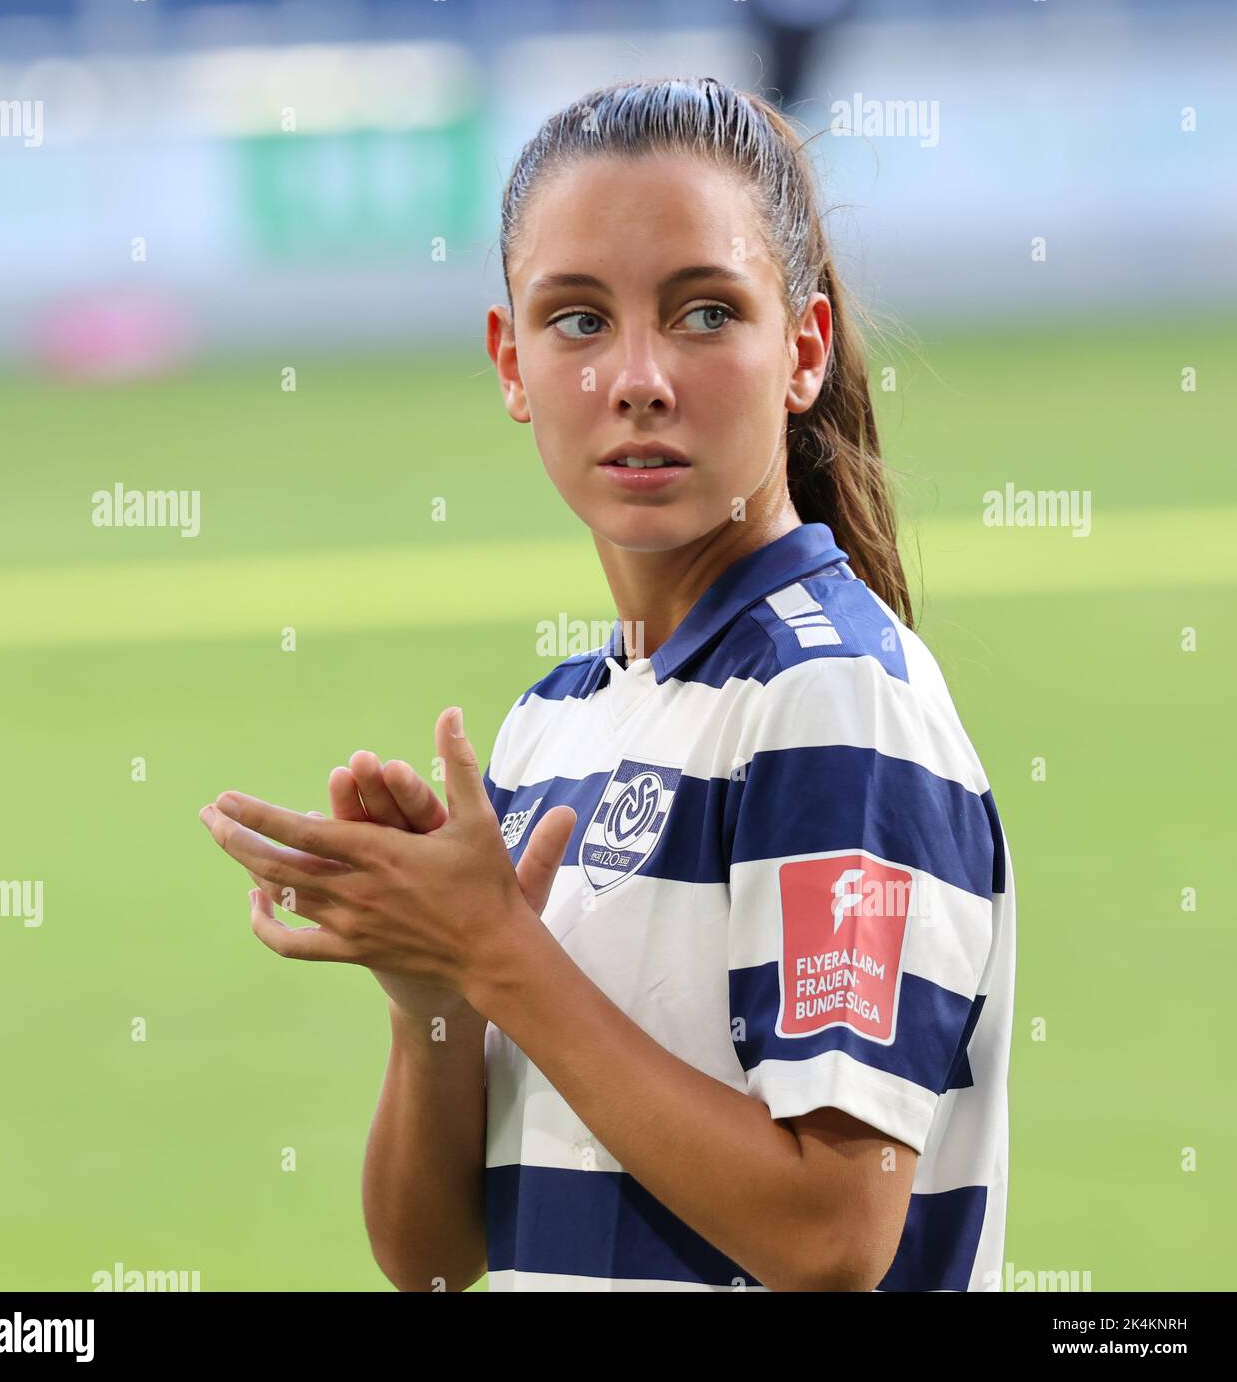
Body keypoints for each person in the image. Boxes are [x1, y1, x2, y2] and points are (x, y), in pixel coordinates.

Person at [199, 77, 1016, 1292]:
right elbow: (429, 1259)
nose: (637, 376)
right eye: (577, 321)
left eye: (701, 313)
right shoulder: (551, 727)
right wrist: (432, 999)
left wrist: (495, 953)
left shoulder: (833, 700)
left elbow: (831, 1237)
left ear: (802, 349)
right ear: (510, 363)